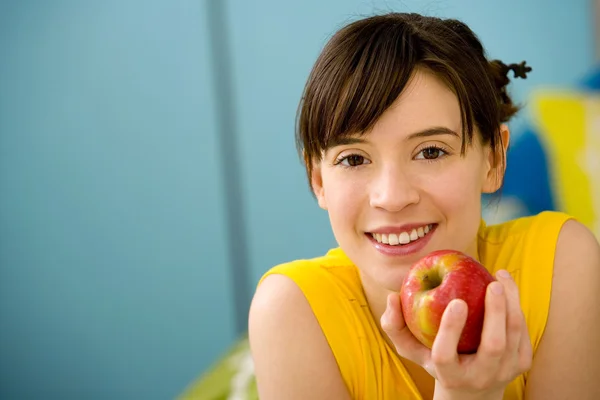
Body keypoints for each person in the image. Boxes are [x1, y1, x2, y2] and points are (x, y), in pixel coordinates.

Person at [248, 12, 600, 400]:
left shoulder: (560, 265)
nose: (392, 197)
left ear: (494, 160)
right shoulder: (291, 313)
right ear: (319, 181)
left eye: (431, 151)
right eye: (353, 159)